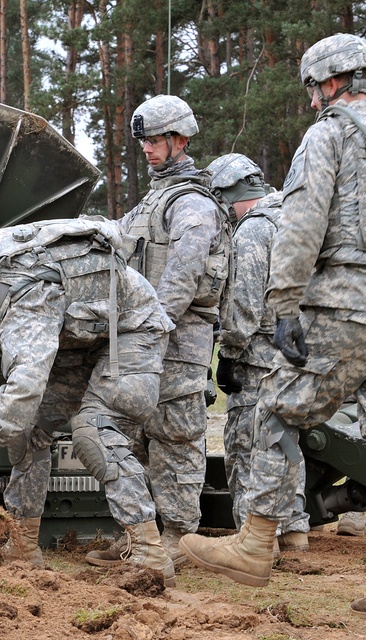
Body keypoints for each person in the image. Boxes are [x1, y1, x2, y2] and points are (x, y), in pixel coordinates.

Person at [179, 33, 366, 623]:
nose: (311, 102)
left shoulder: (327, 135)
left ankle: (256, 544)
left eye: (313, 89)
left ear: (331, 84)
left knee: (275, 413)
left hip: (343, 307)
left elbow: (301, 227)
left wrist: (283, 306)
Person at [0, 219, 178, 585]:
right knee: (24, 432)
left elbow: (26, 383)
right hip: (82, 342)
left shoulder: (29, 293)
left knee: (93, 431)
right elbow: (3, 337)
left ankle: (151, 556)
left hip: (132, 333)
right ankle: (23, 546)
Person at [86, 95, 231, 570]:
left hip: (178, 338)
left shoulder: (192, 203)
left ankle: (179, 538)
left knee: (176, 437)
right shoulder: (156, 198)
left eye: (154, 141)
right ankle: (140, 533)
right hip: (146, 338)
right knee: (134, 434)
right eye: (144, 141)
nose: (146, 149)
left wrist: (155, 324)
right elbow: (121, 237)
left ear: (180, 140)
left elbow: (184, 274)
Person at [208, 153, 309, 551]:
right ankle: (296, 531)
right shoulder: (300, 218)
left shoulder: (253, 230)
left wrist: (229, 353)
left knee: (246, 447)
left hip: (259, 357)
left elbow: (244, 304)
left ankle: (253, 540)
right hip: (299, 354)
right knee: (285, 443)